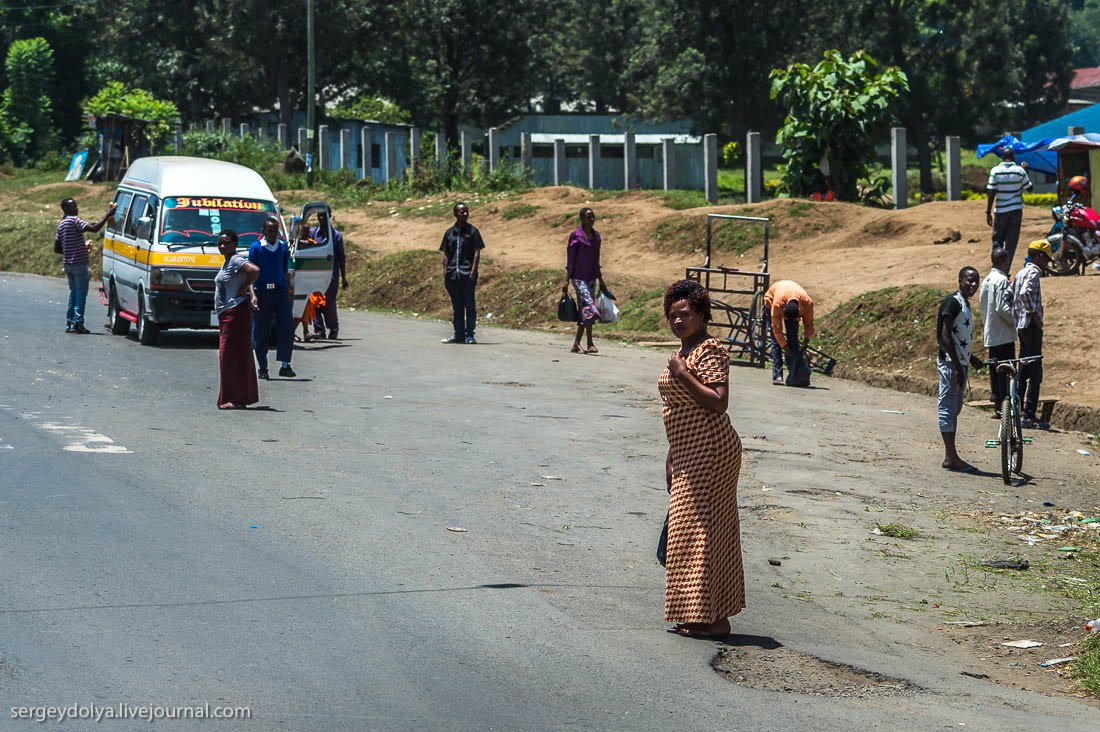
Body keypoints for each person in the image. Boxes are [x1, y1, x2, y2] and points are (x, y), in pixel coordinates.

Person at [659, 279, 744, 640]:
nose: (678, 321)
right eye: (673, 316)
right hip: (688, 449)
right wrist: (671, 456)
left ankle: (715, 618)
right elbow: (680, 409)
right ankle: (701, 614)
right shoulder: (686, 350)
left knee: (701, 530)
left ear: (702, 314)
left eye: (685, 314)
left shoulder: (709, 350)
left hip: (711, 451)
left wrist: (682, 374)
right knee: (694, 531)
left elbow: (718, 401)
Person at [937, 266, 985, 473]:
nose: (973, 285)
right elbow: (946, 335)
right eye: (969, 281)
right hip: (951, 363)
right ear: (959, 280)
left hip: (959, 363)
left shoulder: (964, 303)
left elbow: (958, 338)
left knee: (955, 406)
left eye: (976, 281)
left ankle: (951, 456)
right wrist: (956, 366)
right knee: (948, 407)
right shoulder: (953, 302)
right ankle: (951, 457)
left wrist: (970, 358)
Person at [54, 197, 116, 333]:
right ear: (65, 209)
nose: (76, 208)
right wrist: (108, 214)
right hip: (79, 264)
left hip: (68, 264)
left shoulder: (62, 224)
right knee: (81, 294)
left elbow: (57, 249)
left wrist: (74, 247)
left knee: (74, 293)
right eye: (73, 207)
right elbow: (94, 228)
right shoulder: (74, 220)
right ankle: (78, 323)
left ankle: (70, 323)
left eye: (76, 206)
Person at [213, 230, 260, 409]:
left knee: (229, 356)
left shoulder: (235, 260)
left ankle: (234, 398)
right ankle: (237, 397)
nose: (222, 246)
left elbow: (254, 271)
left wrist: (243, 288)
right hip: (227, 315)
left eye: (226, 243)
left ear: (234, 244)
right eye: (220, 243)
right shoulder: (227, 262)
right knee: (234, 356)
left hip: (234, 314)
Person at [249, 217, 296, 379]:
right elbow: (251, 274)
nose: (272, 233)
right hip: (262, 292)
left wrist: (289, 292)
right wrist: (253, 295)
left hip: (280, 293)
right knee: (261, 331)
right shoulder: (255, 248)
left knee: (287, 328)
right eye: (269, 230)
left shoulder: (283, 247)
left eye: (275, 230)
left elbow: (285, 271)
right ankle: (263, 367)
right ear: (263, 231)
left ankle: (285, 365)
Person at [1012, 240, 1051, 429]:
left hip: (1021, 326)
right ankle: (1029, 415)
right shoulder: (1033, 272)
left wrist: (1017, 316)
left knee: (1023, 369)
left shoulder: (1020, 272)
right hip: (1031, 327)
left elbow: (1008, 294)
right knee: (1035, 373)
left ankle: (1015, 412)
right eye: (1046, 258)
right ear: (1039, 255)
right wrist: (1034, 315)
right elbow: (1023, 293)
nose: (1047, 263)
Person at [561, 207, 606, 354]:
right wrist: (566, 281)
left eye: (593, 217)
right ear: (582, 219)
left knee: (585, 310)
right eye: (588, 217)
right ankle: (580, 343)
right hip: (579, 279)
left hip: (591, 278)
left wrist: (601, 279)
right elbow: (571, 260)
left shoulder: (596, 236)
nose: (591, 220)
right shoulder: (575, 236)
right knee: (589, 309)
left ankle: (586, 343)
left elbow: (596, 259)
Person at [439, 202, 484, 344]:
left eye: (466, 211)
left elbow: (477, 253)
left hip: (467, 275)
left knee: (469, 305)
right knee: (457, 306)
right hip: (452, 276)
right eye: (461, 212)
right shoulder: (449, 233)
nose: (465, 214)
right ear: (455, 214)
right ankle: (458, 335)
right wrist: (446, 271)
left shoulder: (473, 232)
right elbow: (446, 253)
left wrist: (473, 272)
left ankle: (469, 335)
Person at [979, 247, 1016, 419]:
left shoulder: (986, 280)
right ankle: (1005, 407)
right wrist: (1015, 320)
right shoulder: (1001, 280)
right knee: (1005, 371)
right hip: (1003, 334)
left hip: (992, 333)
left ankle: (998, 407)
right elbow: (1002, 307)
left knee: (995, 371)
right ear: (1005, 262)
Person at [986, 149, 1032, 268]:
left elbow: (991, 191)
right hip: (1016, 211)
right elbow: (1030, 188)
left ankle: (996, 267)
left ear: (1002, 157)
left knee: (997, 240)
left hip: (1000, 211)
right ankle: (1006, 269)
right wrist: (1025, 171)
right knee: (1011, 243)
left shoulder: (995, 171)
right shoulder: (1019, 171)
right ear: (1013, 157)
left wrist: (988, 211)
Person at [763, 280, 815, 385]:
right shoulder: (777, 304)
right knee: (776, 341)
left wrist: (806, 341)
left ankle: (795, 374)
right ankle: (777, 375)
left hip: (791, 299)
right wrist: (785, 348)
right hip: (771, 300)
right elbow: (777, 331)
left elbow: (809, 324)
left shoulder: (807, 303)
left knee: (793, 340)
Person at [310, 209, 347, 339]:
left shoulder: (336, 236)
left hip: (331, 275)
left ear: (329, 216)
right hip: (314, 274)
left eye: (324, 215)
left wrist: (344, 278)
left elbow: (341, 258)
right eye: (319, 215)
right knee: (314, 302)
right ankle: (319, 330)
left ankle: (333, 327)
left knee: (328, 303)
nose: (321, 218)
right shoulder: (312, 233)